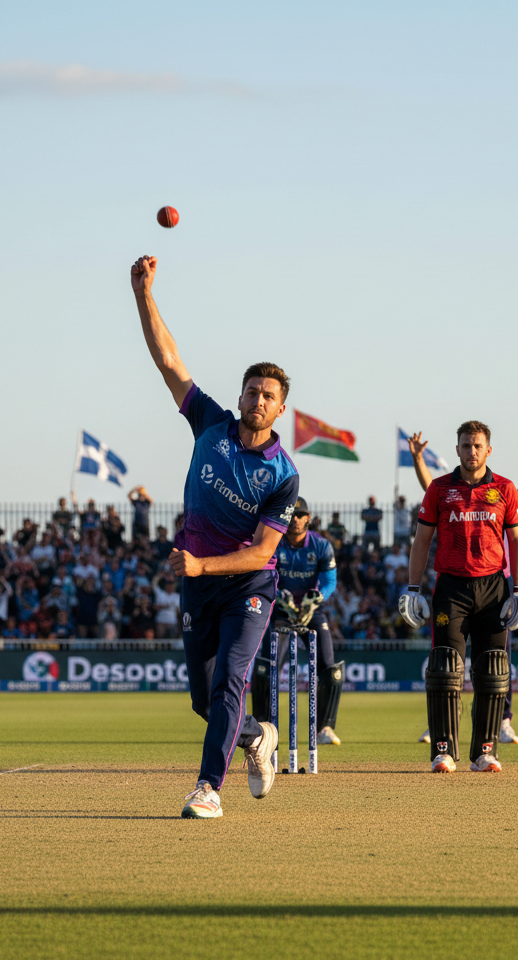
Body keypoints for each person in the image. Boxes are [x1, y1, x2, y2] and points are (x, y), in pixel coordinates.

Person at [132, 253, 297, 820]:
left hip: (249, 585)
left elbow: (263, 551)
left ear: (280, 408)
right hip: (197, 583)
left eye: (268, 395)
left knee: (230, 681)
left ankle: (207, 788)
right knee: (204, 700)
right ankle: (256, 736)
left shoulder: (283, 475)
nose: (257, 400)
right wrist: (143, 293)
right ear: (241, 395)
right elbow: (168, 359)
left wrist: (202, 565)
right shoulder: (209, 421)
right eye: (251, 391)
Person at [399, 420, 518, 773]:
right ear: (456, 449)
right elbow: (422, 540)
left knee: (493, 669)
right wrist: (413, 588)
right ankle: (443, 751)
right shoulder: (440, 489)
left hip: (493, 589)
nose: (471, 451)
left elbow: (517, 542)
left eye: (477, 446)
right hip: (451, 589)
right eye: (465, 445)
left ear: (488, 450)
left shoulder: (504, 488)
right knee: (444, 668)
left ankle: (485, 752)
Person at [251, 497, 344, 744]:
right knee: (267, 667)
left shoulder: (321, 546)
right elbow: (264, 576)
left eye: (300, 515)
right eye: (292, 514)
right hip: (281, 611)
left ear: (308, 518)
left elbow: (330, 580)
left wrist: (318, 596)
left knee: (330, 669)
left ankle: (325, 728)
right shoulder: (275, 542)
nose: (295, 519)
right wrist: (279, 595)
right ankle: (260, 730)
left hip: (310, 610)